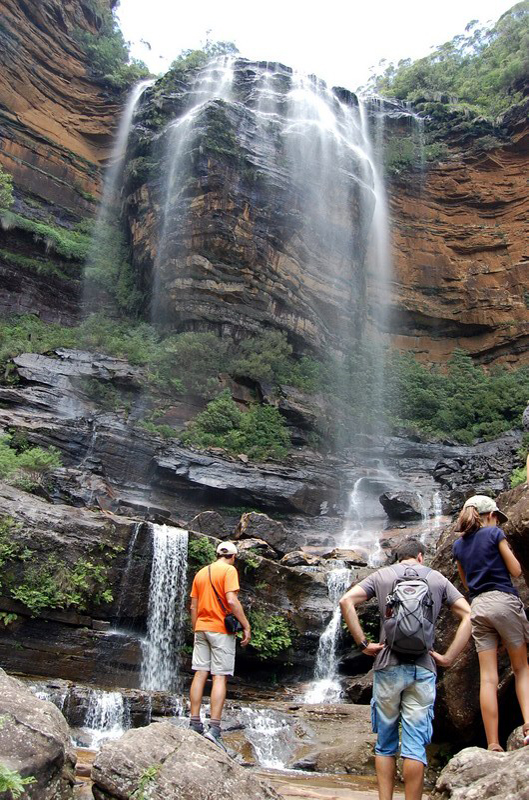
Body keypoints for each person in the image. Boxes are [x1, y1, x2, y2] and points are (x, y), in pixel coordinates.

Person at [340, 539, 471, 800]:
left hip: (387, 665)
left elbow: (346, 601)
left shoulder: (382, 575)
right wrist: (448, 658)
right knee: (415, 746)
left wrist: (363, 643)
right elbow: (469, 614)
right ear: (420, 556)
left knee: (385, 744)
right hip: (423, 667)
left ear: (398, 557)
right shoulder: (436, 578)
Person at [453, 494, 529, 751]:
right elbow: (516, 570)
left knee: (488, 678)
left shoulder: (458, 546)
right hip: (503, 600)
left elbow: (466, 584)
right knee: (521, 667)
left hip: (478, 607)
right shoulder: (495, 533)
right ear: (491, 515)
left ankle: (493, 742)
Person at [189, 540, 251, 751]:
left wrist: (196, 628)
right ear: (233, 556)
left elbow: (194, 606)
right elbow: (231, 601)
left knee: (200, 673)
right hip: (220, 630)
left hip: (201, 627)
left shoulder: (201, 573)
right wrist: (246, 625)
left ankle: (194, 723)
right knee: (219, 676)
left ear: (217, 554)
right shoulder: (229, 571)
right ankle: (214, 729)